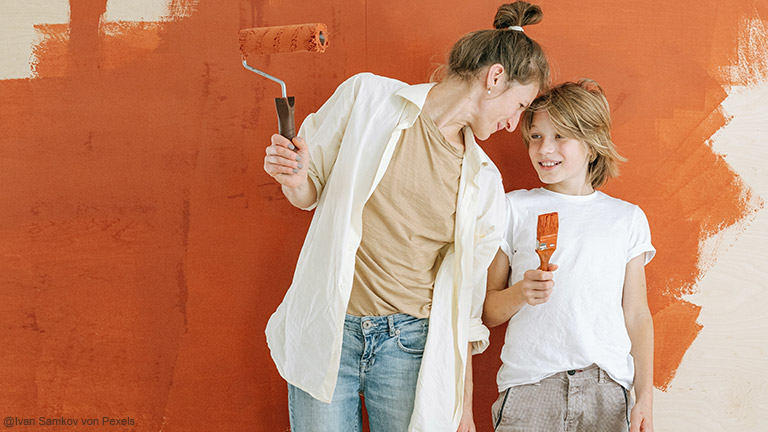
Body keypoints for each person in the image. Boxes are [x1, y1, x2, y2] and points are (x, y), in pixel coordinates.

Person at [261, 2, 549, 431]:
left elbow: (465, 313)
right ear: (494, 79)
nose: (513, 124)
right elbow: (309, 190)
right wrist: (293, 174)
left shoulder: (485, 183)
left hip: (409, 347)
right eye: (520, 105)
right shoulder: (368, 97)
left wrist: (464, 412)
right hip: (327, 329)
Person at [484, 80, 655, 432]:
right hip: (529, 386)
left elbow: (637, 315)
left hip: (606, 390)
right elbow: (487, 312)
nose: (544, 148)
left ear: (593, 145)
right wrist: (520, 293)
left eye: (561, 136)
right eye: (535, 136)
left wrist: (645, 398)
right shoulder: (512, 208)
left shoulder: (626, 219)